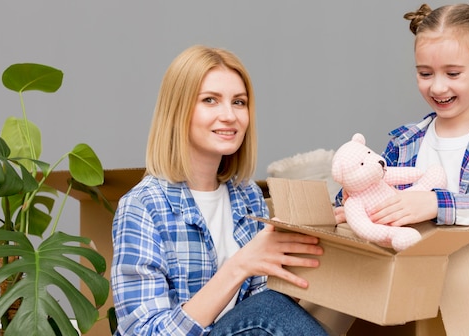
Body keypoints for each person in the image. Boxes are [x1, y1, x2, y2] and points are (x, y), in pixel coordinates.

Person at [111, 45, 328, 336]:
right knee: (269, 308)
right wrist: (238, 266)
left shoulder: (247, 197)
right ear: (178, 110)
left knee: (274, 304)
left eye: (239, 102)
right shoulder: (143, 206)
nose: (229, 115)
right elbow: (144, 333)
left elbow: (266, 317)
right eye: (210, 100)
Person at [336, 0, 469, 236]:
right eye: (425, 73)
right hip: (413, 266)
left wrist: (437, 204)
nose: (438, 87)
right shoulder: (404, 142)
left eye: (452, 73)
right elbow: (368, 191)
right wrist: (352, 198)